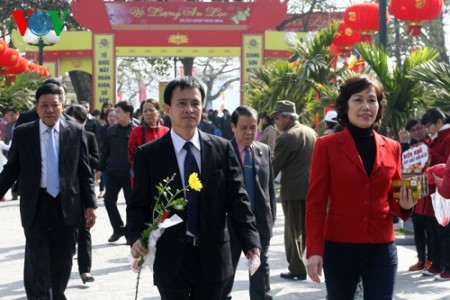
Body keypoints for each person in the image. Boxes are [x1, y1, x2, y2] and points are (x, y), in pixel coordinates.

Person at [127, 76, 261, 300]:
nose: (189, 109)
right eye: (182, 103)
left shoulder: (222, 149)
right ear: (168, 109)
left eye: (195, 103)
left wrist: (251, 242)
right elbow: (138, 204)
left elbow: (238, 198)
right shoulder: (149, 154)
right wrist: (136, 237)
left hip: (213, 255)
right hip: (170, 256)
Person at [305, 75, 417, 299]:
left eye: (372, 100)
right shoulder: (326, 146)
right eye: (358, 100)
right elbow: (316, 202)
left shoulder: (393, 147)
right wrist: (314, 251)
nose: (366, 107)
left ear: (379, 105)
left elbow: (393, 199)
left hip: (382, 246)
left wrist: (405, 205)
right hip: (340, 246)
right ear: (345, 106)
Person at [0, 82, 97, 299]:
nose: (49, 110)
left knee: (63, 258)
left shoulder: (76, 131)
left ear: (63, 106)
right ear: (37, 108)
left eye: (54, 105)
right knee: (38, 258)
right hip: (36, 204)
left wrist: (90, 204)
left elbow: (84, 171)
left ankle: (57, 293)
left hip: (67, 204)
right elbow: (11, 169)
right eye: (44, 105)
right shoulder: (25, 133)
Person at [221, 105, 276, 300]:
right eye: (243, 127)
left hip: (259, 224)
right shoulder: (221, 152)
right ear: (233, 127)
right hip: (231, 225)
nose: (249, 132)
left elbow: (268, 189)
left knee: (261, 279)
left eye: (253, 127)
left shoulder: (263, 150)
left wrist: (270, 220)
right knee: (225, 277)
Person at [271, 100, 317, 281]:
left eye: (277, 117)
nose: (276, 121)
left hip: (292, 189)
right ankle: (304, 263)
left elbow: (275, 166)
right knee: (305, 229)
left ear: (287, 117)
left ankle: (297, 268)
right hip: (311, 187)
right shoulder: (311, 132)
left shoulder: (287, 136)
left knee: (293, 231)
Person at [66, 104, 100, 284]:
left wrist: (83, 156)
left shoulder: (89, 136)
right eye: (73, 121)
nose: (76, 125)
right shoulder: (60, 137)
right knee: (67, 232)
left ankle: (85, 270)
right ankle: (64, 263)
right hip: (65, 192)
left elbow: (96, 159)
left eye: (80, 122)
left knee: (85, 230)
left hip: (84, 189)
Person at [96, 101, 135, 243]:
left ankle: (130, 233)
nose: (115, 115)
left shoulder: (135, 131)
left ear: (127, 114)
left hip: (130, 174)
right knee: (108, 201)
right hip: (113, 173)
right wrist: (100, 169)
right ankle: (118, 228)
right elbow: (105, 152)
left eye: (118, 112)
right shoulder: (110, 131)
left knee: (131, 204)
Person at [399, 118, 433, 272]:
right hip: (413, 188)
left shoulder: (431, 144)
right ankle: (421, 259)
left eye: (420, 128)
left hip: (429, 191)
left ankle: (432, 260)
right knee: (418, 227)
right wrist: (403, 143)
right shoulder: (407, 148)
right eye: (414, 130)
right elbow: (400, 164)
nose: (418, 132)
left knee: (431, 228)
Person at [420, 108, 450, 281]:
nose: (427, 129)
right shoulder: (433, 139)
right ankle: (437, 264)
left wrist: (430, 153)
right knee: (433, 231)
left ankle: (447, 266)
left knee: (444, 232)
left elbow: (446, 164)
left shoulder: (446, 137)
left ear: (439, 122)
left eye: (428, 125)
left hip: (443, 191)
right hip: (432, 190)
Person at [128, 98, 169, 167]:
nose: (148, 113)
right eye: (145, 111)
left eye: (151, 110)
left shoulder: (166, 131)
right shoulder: (136, 131)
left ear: (158, 112)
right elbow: (131, 155)